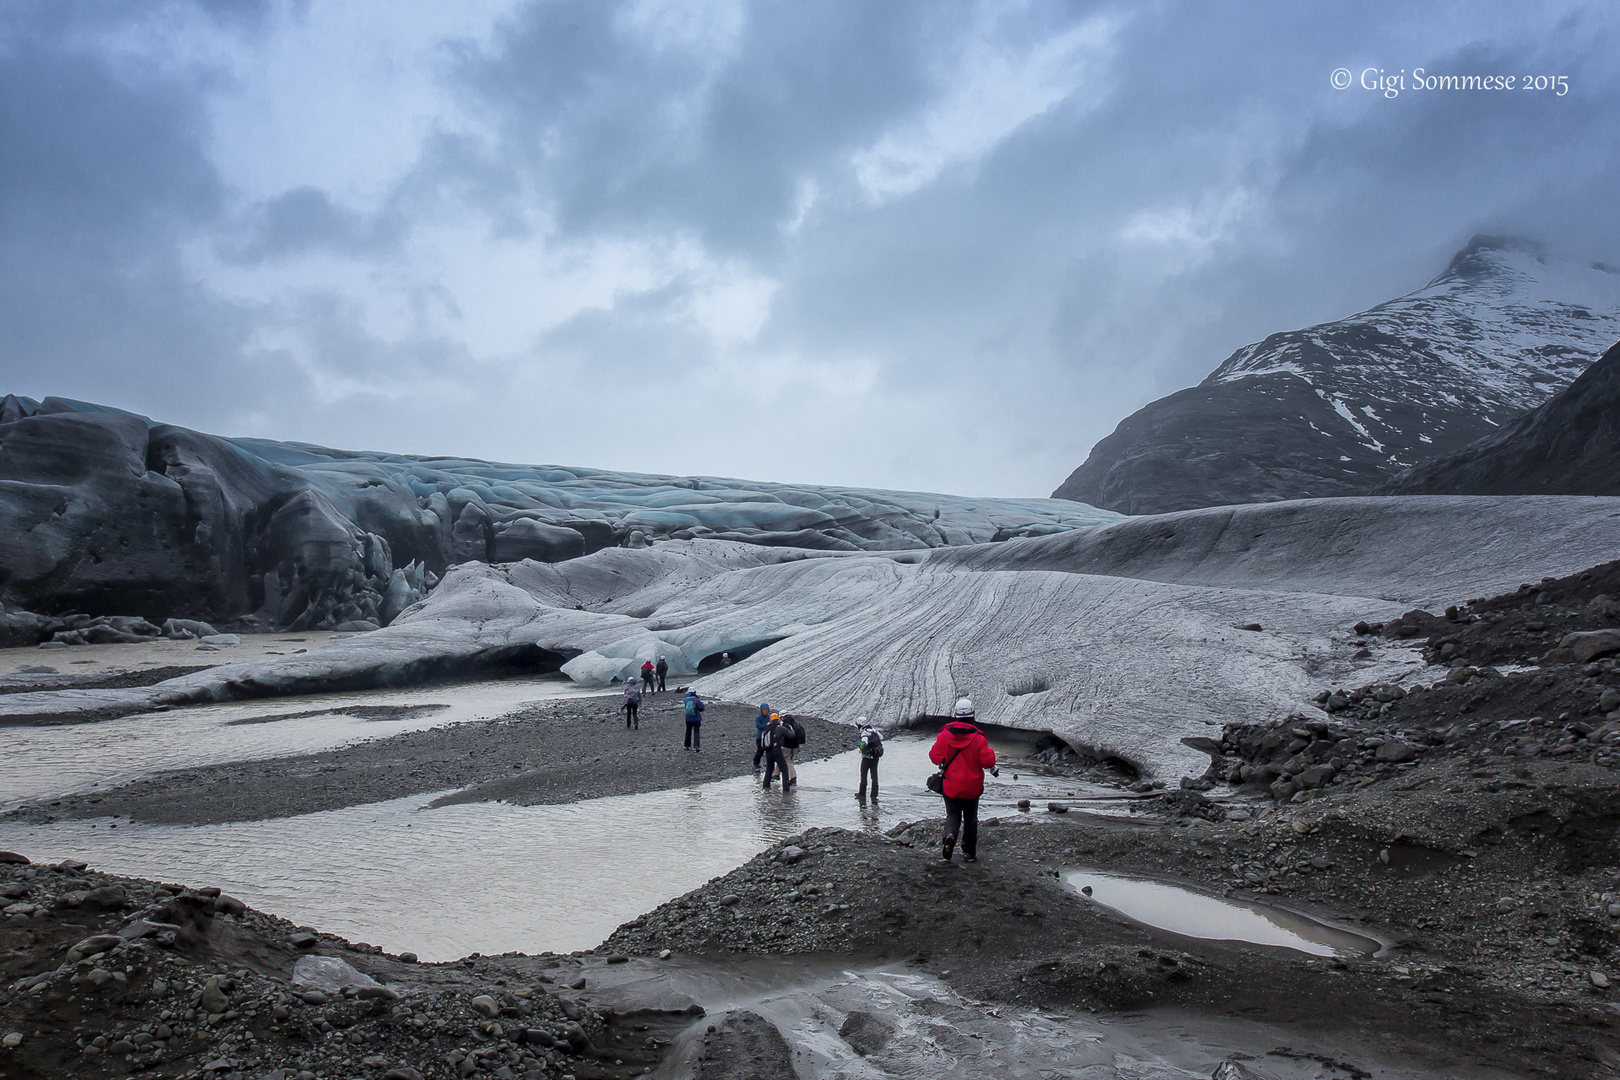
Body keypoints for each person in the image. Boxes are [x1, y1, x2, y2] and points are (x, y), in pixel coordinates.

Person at [929, 698, 998, 863]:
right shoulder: (979, 738)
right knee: (971, 818)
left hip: (951, 785)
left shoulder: (944, 735)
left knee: (952, 814)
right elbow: (987, 761)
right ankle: (969, 852)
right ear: (972, 714)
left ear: (956, 715)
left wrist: (944, 759)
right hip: (972, 786)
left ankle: (950, 835)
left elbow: (934, 756)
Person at [856, 719, 883, 802]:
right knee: (874, 776)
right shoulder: (874, 730)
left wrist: (861, 749)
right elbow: (881, 737)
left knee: (864, 775)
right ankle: (874, 795)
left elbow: (864, 742)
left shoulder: (864, 732)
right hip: (875, 757)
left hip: (867, 757)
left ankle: (862, 794)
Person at [761, 712, 788, 790]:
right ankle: (786, 789)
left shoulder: (767, 727)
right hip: (777, 751)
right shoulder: (779, 728)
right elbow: (791, 735)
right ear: (778, 719)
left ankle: (766, 787)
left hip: (768, 751)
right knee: (784, 769)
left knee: (769, 769)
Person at [779, 713, 805, 789]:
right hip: (796, 746)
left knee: (788, 761)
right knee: (791, 761)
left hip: (787, 746)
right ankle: (792, 778)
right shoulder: (795, 723)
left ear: (783, 717)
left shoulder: (786, 725)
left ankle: (792, 778)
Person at [753, 703, 772, 769]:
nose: (765, 712)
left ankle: (769, 763)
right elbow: (759, 726)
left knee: (769, 750)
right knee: (760, 751)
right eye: (764, 710)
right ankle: (756, 763)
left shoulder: (770, 717)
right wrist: (767, 724)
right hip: (760, 737)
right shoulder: (758, 718)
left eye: (767, 710)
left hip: (768, 737)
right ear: (761, 710)